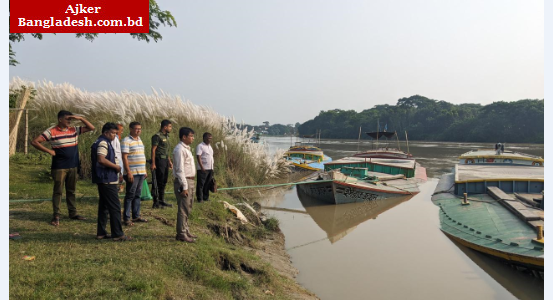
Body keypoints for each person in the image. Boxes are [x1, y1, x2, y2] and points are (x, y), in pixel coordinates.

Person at [31, 110, 95, 226]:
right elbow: (35, 142)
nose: (69, 121)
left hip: (73, 166)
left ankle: (73, 213)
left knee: (71, 191)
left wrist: (80, 118)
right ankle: (56, 215)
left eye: (71, 119)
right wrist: (49, 151)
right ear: (60, 119)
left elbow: (91, 128)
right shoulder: (51, 131)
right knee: (58, 191)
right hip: (59, 167)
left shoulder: (74, 130)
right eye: (67, 119)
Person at [91, 122, 131, 241]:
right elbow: (101, 159)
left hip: (105, 178)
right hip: (106, 179)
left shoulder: (102, 142)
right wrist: (116, 167)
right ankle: (118, 234)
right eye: (113, 133)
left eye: (116, 133)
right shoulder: (103, 142)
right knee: (115, 207)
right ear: (105, 132)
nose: (115, 135)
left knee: (104, 207)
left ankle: (101, 232)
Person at [173, 127, 198, 243]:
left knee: (188, 207)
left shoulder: (187, 149)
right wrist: (184, 186)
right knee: (183, 208)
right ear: (184, 137)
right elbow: (179, 170)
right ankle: (181, 233)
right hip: (184, 181)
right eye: (191, 136)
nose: (193, 138)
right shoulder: (179, 150)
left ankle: (185, 229)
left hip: (190, 180)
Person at [121, 122, 148, 226]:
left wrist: (144, 170)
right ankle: (127, 218)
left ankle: (136, 215)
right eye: (136, 129)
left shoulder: (139, 140)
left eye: (140, 129)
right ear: (131, 129)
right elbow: (124, 157)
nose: (138, 131)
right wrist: (128, 172)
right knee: (130, 195)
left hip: (141, 172)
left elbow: (142, 156)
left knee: (137, 194)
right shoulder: (126, 141)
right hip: (132, 172)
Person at [151, 119, 174, 209]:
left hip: (165, 160)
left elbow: (166, 151)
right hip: (159, 160)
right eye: (170, 126)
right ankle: (156, 202)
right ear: (165, 127)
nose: (170, 128)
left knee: (164, 181)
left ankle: (162, 200)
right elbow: (153, 150)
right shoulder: (157, 136)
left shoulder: (167, 136)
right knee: (158, 180)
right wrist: (153, 163)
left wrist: (169, 161)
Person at [196, 132, 214, 202]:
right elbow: (198, 156)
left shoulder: (210, 147)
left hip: (210, 168)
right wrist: (201, 167)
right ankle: (200, 198)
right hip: (203, 168)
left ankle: (206, 197)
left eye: (211, 138)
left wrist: (212, 168)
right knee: (201, 184)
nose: (210, 140)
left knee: (207, 184)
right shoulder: (200, 146)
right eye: (208, 138)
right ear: (204, 138)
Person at [111, 124, 124, 191]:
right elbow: (114, 151)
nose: (122, 132)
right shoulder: (114, 138)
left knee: (120, 179)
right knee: (117, 179)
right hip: (116, 161)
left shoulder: (117, 138)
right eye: (121, 130)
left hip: (119, 161)